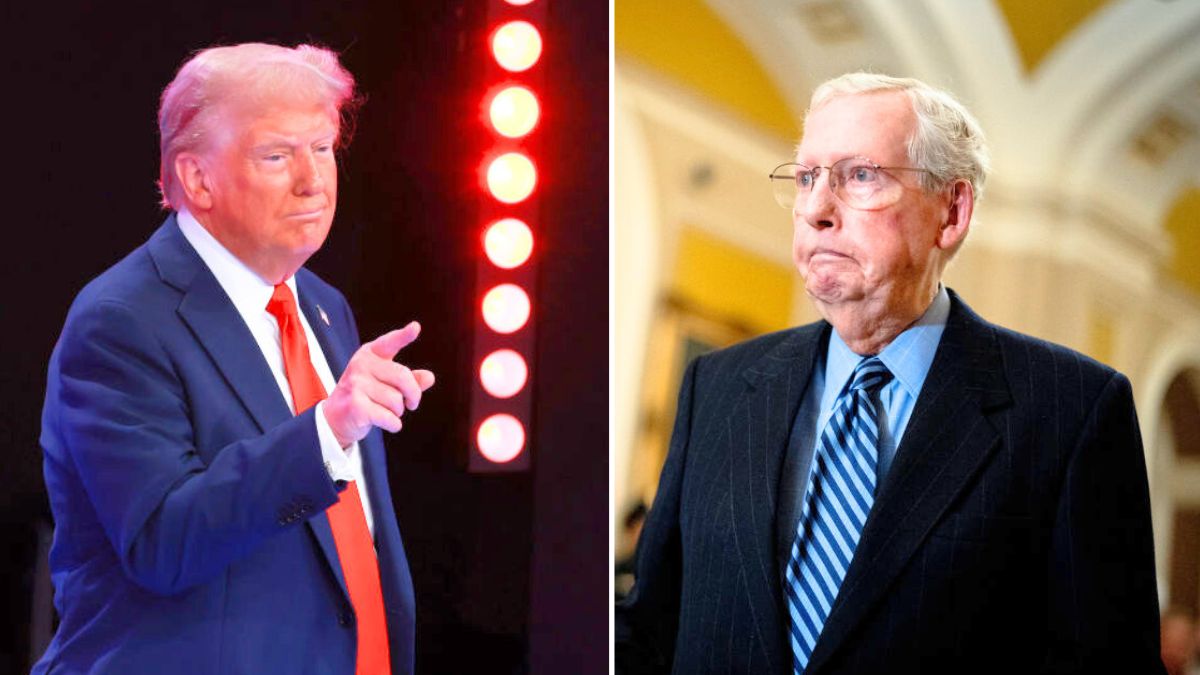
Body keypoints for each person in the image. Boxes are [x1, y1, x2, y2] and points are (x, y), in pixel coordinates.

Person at [615, 73, 1164, 674]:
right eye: (806, 178)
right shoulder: (718, 386)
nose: (818, 211)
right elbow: (652, 633)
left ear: (951, 213)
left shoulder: (1070, 410)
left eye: (860, 176)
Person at [34, 43, 434, 674]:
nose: (314, 179)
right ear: (198, 179)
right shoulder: (121, 320)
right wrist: (327, 432)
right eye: (277, 155)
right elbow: (162, 541)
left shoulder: (324, 307)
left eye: (323, 148)